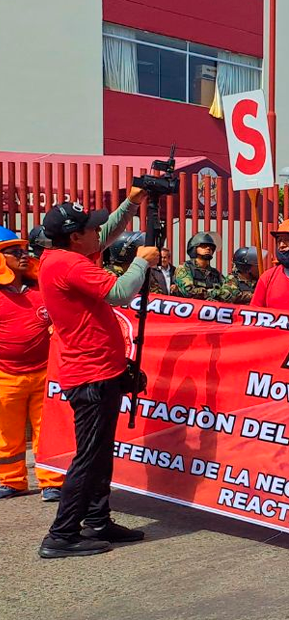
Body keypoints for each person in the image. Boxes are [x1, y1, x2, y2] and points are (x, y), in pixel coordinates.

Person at [38, 194, 159, 558]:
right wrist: (140, 263)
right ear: (76, 237)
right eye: (90, 227)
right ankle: (61, 535)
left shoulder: (65, 256)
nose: (99, 232)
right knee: (89, 455)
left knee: (101, 451)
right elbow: (121, 293)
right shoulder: (70, 266)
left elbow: (105, 233)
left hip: (101, 370)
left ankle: (96, 519)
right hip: (90, 375)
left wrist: (131, 204)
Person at [0, 227, 64, 502]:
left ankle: (53, 482)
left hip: (44, 372)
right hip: (5, 376)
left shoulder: (42, 288)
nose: (24, 255)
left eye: (24, 250)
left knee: (48, 432)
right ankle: (12, 481)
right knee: (6, 435)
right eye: (15, 252)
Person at [174, 232, 223, 300]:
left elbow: (226, 293)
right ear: (194, 248)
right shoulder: (185, 268)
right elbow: (188, 291)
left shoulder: (215, 273)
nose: (208, 248)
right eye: (203, 246)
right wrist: (212, 293)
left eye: (211, 247)